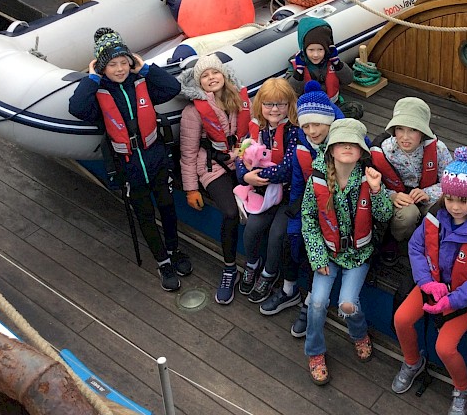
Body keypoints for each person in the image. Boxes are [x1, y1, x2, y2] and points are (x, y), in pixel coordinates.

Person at [68, 28, 191, 292]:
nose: (120, 69)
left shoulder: (142, 82)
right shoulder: (99, 92)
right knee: (145, 215)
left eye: (124, 62)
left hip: (156, 157)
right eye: (112, 64)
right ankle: (163, 262)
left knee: (168, 207)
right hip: (128, 165)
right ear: (102, 67)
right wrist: (91, 77)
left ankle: (174, 248)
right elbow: (77, 108)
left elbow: (172, 87)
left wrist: (144, 67)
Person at [392, 147, 467, 415]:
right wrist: (426, 283)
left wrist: (451, 299)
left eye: (462, 200)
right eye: (449, 198)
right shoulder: (432, 219)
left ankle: (463, 388)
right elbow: (416, 249)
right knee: (401, 319)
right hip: (431, 287)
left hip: (463, 300)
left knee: (445, 347)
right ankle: (413, 362)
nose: (455, 206)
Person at [301, 118, 393, 385]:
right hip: (328, 254)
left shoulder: (369, 177)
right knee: (316, 303)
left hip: (358, 256)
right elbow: (309, 219)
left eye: (353, 144)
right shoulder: (317, 179)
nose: (346, 148)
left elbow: (385, 214)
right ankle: (315, 352)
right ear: (330, 148)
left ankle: (359, 334)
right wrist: (318, 257)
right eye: (340, 143)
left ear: (361, 151)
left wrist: (376, 190)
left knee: (347, 304)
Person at [261, 81, 343, 332]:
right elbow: (298, 185)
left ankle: (309, 300)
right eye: (306, 126)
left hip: (337, 210)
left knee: (313, 250)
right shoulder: (301, 145)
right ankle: (289, 291)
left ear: (329, 122)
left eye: (317, 124)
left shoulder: (344, 144)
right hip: (308, 205)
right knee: (290, 237)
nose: (312, 131)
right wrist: (297, 222)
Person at [178, 53, 251, 304]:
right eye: (205, 76)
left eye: (214, 73)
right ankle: (230, 268)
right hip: (212, 166)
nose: (211, 78)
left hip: (241, 159)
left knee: (264, 206)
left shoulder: (239, 99)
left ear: (224, 75)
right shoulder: (193, 112)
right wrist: (190, 189)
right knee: (230, 213)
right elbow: (187, 153)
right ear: (199, 83)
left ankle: (255, 266)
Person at [236, 77, 299, 304]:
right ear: (260, 105)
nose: (274, 109)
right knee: (252, 228)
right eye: (269, 104)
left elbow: (288, 167)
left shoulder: (294, 131)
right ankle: (252, 264)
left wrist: (259, 176)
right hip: (263, 194)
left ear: (289, 105)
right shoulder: (256, 128)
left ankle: (269, 274)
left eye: (280, 104)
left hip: (287, 195)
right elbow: (241, 155)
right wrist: (244, 175)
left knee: (277, 235)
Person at [371, 96, 452, 263]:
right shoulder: (384, 150)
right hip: (400, 198)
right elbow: (372, 183)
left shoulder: (438, 149)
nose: (405, 137)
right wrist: (392, 195)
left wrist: (427, 193)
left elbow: (450, 181)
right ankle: (396, 238)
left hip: (428, 193)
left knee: (444, 210)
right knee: (407, 216)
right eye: (400, 129)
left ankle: (431, 241)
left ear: (423, 132)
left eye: (413, 130)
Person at [285, 16, 361, 119]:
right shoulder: (295, 62)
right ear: (303, 48)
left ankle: (331, 121)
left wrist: (337, 64)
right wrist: (299, 72)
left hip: (333, 105)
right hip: (308, 110)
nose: (315, 55)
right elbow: (290, 92)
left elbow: (348, 80)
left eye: (320, 49)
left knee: (356, 109)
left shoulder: (332, 59)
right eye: (311, 50)